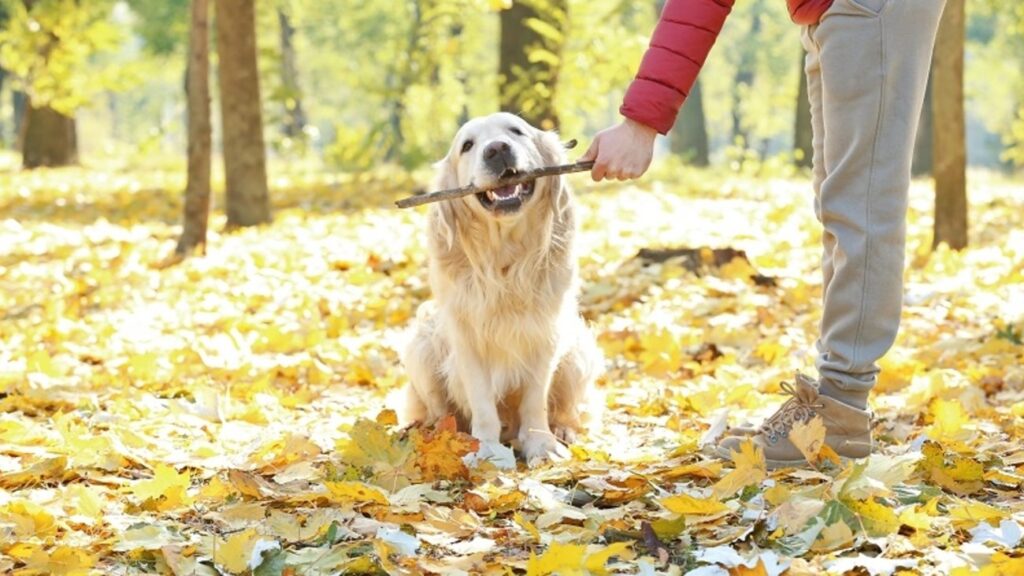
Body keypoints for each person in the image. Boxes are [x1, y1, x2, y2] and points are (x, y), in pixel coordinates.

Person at [581, 0, 947, 468]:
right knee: (842, 206)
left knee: (863, 203)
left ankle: (840, 410)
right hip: (834, 11)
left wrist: (642, 122)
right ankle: (835, 405)